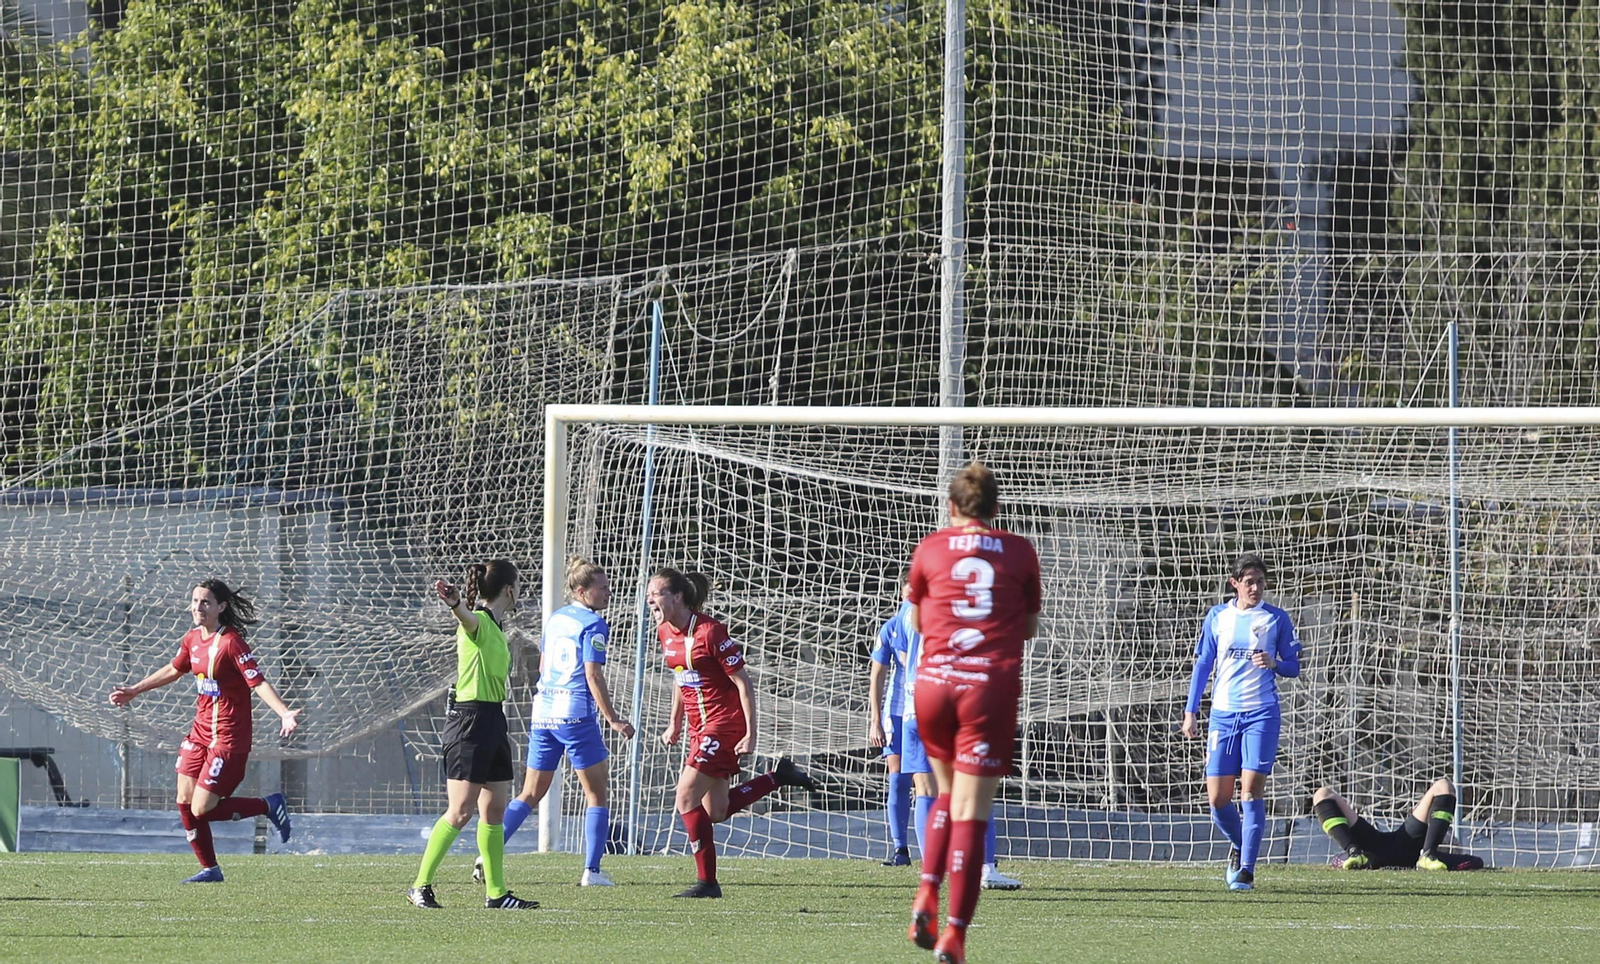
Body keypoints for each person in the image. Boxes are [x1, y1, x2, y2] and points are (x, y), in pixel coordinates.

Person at [904, 463, 1041, 964]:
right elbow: (1026, 628)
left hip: (933, 685)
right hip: (986, 688)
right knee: (971, 811)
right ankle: (955, 934)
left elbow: (918, 620)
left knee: (943, 794)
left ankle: (925, 889)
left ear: (952, 508)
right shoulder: (1021, 551)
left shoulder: (930, 547)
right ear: (996, 509)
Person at [108, 579, 298, 883]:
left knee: (202, 808)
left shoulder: (231, 642)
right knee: (184, 800)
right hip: (199, 734)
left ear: (221, 608)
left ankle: (268, 805)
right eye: (195, 601)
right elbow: (175, 668)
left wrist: (284, 712)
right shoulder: (193, 638)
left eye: (205, 602)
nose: (198, 607)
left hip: (228, 739)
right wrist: (135, 689)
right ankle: (210, 868)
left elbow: (257, 682)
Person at [650, 567, 821, 898]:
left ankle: (707, 883)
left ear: (677, 597)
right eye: (648, 596)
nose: (650, 601)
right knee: (715, 811)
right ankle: (777, 777)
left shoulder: (711, 632)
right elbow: (679, 676)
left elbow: (744, 683)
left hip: (724, 724)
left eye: (655, 594)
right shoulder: (665, 632)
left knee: (684, 795)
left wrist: (751, 733)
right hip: (699, 729)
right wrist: (675, 722)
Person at [472, 558, 635, 887]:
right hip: (575, 715)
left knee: (531, 792)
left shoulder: (557, 618)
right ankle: (592, 871)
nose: (609, 593)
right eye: (602, 588)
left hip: (544, 712)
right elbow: (593, 674)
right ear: (582, 591)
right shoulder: (594, 624)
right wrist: (614, 719)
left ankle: (487, 854)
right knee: (597, 795)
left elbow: (544, 666)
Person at [872, 579, 1022, 890]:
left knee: (925, 791)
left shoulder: (905, 617)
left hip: (914, 709)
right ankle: (985, 869)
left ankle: (933, 873)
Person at [406, 560, 538, 911]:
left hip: (493, 719)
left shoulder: (497, 628)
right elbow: (467, 619)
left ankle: (496, 894)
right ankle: (419, 886)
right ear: (509, 590)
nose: (521, 590)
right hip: (470, 722)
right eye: (519, 585)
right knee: (461, 810)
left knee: (494, 810)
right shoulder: (478, 621)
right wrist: (454, 604)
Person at [1180, 553, 1302, 892]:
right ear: (1234, 583)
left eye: (1261, 582)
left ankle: (1246, 869)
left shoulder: (1276, 618)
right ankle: (1242, 845)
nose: (1256, 587)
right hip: (1222, 715)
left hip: (1261, 714)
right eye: (1249, 581)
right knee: (1217, 799)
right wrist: (1191, 711)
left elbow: (1294, 666)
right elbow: (1203, 664)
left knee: (1250, 792)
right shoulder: (1217, 616)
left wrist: (1274, 662)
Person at [1314, 777, 1484, 871]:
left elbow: (1474, 862)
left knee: (1444, 785)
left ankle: (1429, 855)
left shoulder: (1430, 854)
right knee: (1322, 794)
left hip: (1410, 847)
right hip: (1366, 850)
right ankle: (1353, 852)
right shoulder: (1360, 854)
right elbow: (1474, 862)